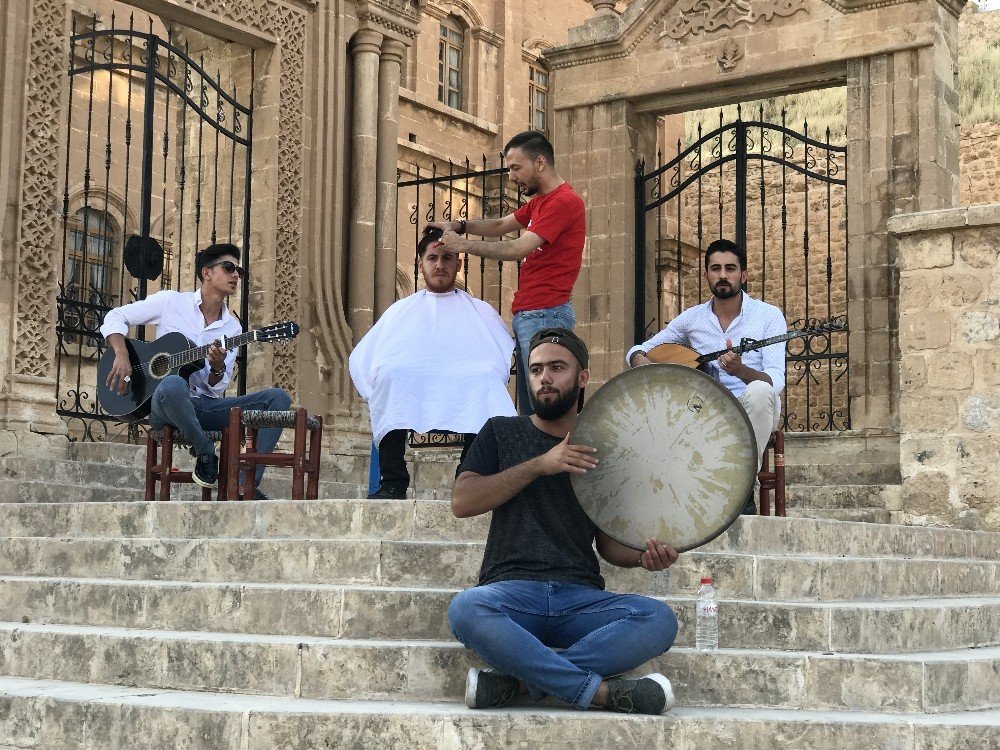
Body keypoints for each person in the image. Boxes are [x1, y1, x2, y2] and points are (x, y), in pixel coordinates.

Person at [448, 327, 679, 715]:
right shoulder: (501, 433)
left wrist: (643, 557)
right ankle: (602, 694)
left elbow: (608, 545)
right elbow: (463, 502)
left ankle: (522, 683)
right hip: (510, 593)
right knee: (466, 609)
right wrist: (541, 465)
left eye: (557, 367)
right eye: (536, 369)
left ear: (582, 377)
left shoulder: (602, 445)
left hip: (580, 598)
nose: (545, 378)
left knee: (658, 619)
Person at [101, 243, 291, 498]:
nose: (236, 275)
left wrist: (216, 367)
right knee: (172, 384)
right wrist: (122, 354)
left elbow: (216, 387)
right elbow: (115, 316)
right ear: (207, 273)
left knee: (279, 398)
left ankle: (246, 483)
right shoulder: (170, 302)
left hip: (204, 407)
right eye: (229, 268)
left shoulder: (232, 330)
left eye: (239, 271)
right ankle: (204, 451)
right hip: (164, 405)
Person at [349, 228, 517, 500]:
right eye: (432, 258)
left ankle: (468, 474)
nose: (440, 265)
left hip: (464, 385)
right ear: (420, 264)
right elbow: (368, 356)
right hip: (411, 385)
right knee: (390, 376)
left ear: (458, 264)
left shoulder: (480, 310)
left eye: (447, 258)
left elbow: (498, 358)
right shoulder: (400, 310)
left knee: (486, 383)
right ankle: (393, 482)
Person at [430, 130, 585, 416]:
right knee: (533, 409)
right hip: (534, 313)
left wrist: (463, 245)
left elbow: (517, 248)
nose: (511, 176)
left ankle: (549, 458)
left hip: (544, 313)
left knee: (543, 406)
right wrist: (460, 225)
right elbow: (502, 224)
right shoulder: (541, 201)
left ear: (539, 163)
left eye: (516, 167)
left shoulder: (563, 202)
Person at [627, 238, 786, 514]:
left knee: (759, 392)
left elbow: (776, 380)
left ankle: (740, 486)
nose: (723, 275)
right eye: (715, 269)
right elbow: (641, 348)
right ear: (706, 275)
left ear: (743, 275)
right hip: (704, 410)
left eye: (730, 268)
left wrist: (741, 371)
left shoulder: (768, 316)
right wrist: (641, 362)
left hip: (755, 410)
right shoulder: (692, 319)